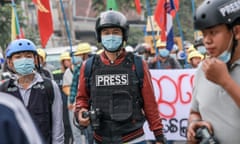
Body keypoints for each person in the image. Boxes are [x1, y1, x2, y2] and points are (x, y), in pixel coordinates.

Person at [75, 10, 166, 144]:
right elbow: (82, 99)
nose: (111, 36)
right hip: (100, 139)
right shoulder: (89, 66)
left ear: (124, 35)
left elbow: (150, 103)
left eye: (116, 32)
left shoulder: (138, 64)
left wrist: (159, 135)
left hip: (133, 138)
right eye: (106, 33)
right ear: (100, 36)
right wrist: (80, 113)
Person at [187, 0, 240, 143]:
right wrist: (194, 124)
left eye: (213, 32)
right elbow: (194, 112)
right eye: (204, 34)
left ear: (236, 31)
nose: (206, 41)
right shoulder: (202, 69)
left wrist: (226, 82)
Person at [0, 39, 64, 144]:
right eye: (18, 57)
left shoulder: (49, 86)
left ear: (35, 60)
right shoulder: (3, 89)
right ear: (10, 62)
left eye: (28, 56)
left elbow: (57, 126)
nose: (24, 60)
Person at [64, 42, 93, 144]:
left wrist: (71, 101)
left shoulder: (82, 67)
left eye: (79, 55)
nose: (77, 57)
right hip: (89, 103)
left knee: (90, 133)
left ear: (84, 55)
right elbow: (74, 87)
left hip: (88, 103)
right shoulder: (95, 64)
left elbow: (75, 87)